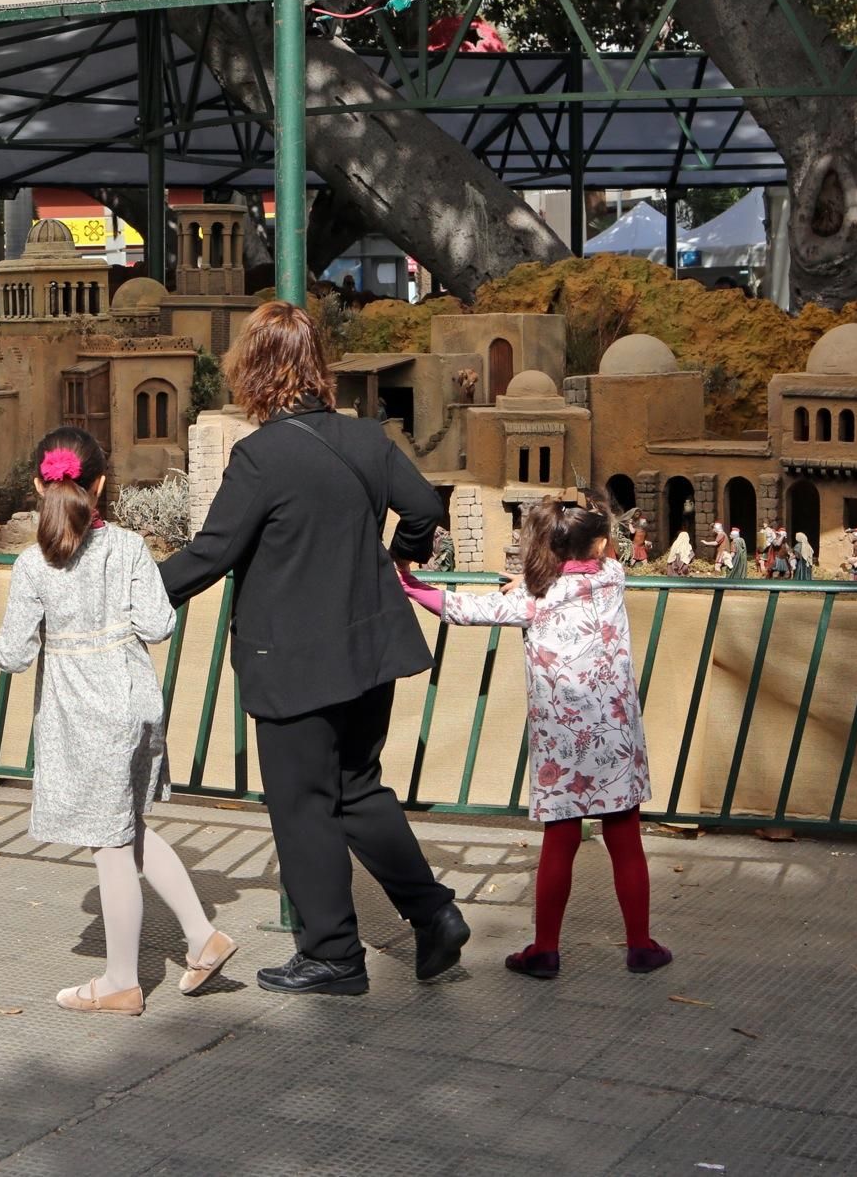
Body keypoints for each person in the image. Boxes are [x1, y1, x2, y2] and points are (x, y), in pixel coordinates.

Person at [158, 301, 469, 996]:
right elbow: (423, 509)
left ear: (257, 370)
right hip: (369, 652)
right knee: (357, 787)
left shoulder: (260, 457)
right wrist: (398, 558)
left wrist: (128, 593)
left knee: (302, 804)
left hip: (293, 660)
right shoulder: (367, 441)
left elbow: (211, 555)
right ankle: (433, 911)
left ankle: (333, 953)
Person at [0, 427, 235, 1015]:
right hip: (133, 703)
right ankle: (203, 938)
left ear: (37, 485)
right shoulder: (127, 547)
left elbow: (12, 655)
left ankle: (122, 980)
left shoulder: (33, 565)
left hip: (83, 717)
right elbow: (159, 625)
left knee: (109, 844)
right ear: (100, 484)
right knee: (128, 829)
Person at [399, 499, 670, 979]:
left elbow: (463, 609)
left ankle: (545, 949)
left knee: (560, 841)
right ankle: (640, 945)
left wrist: (411, 587)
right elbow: (588, 567)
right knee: (625, 837)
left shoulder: (533, 600)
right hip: (616, 737)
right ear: (603, 545)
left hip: (562, 741)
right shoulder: (613, 579)